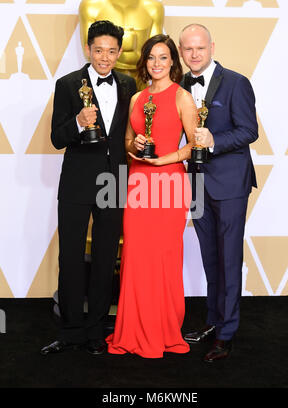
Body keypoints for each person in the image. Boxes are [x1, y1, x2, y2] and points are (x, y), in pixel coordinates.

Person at [40, 20, 137, 356]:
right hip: (78, 180)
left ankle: (96, 331)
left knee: (105, 256)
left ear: (119, 51)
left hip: (115, 180)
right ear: (88, 49)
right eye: (99, 50)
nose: (105, 57)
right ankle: (70, 331)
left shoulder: (128, 84)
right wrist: (78, 124)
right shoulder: (68, 84)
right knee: (70, 256)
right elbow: (56, 137)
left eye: (112, 51)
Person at [106, 34, 198, 358]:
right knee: (135, 256)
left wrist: (165, 158)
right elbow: (128, 140)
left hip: (169, 185)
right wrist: (137, 146)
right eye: (151, 58)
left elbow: (195, 144)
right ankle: (131, 330)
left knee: (163, 258)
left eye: (163, 57)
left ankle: (163, 330)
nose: (156, 63)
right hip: (138, 183)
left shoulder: (183, 97)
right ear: (144, 62)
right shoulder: (136, 99)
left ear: (173, 61)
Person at [179, 24, 258, 362]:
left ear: (211, 47)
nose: (194, 54)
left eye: (200, 48)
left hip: (229, 183)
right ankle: (213, 321)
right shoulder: (180, 85)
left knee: (228, 259)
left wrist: (215, 141)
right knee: (210, 256)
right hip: (196, 182)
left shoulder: (237, 82)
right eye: (187, 49)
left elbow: (248, 131)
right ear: (182, 52)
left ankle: (227, 333)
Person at [79, 0, 164, 88]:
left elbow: (155, 51)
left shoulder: (154, 8)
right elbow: (90, 50)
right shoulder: (91, 6)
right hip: (105, 79)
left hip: (140, 80)